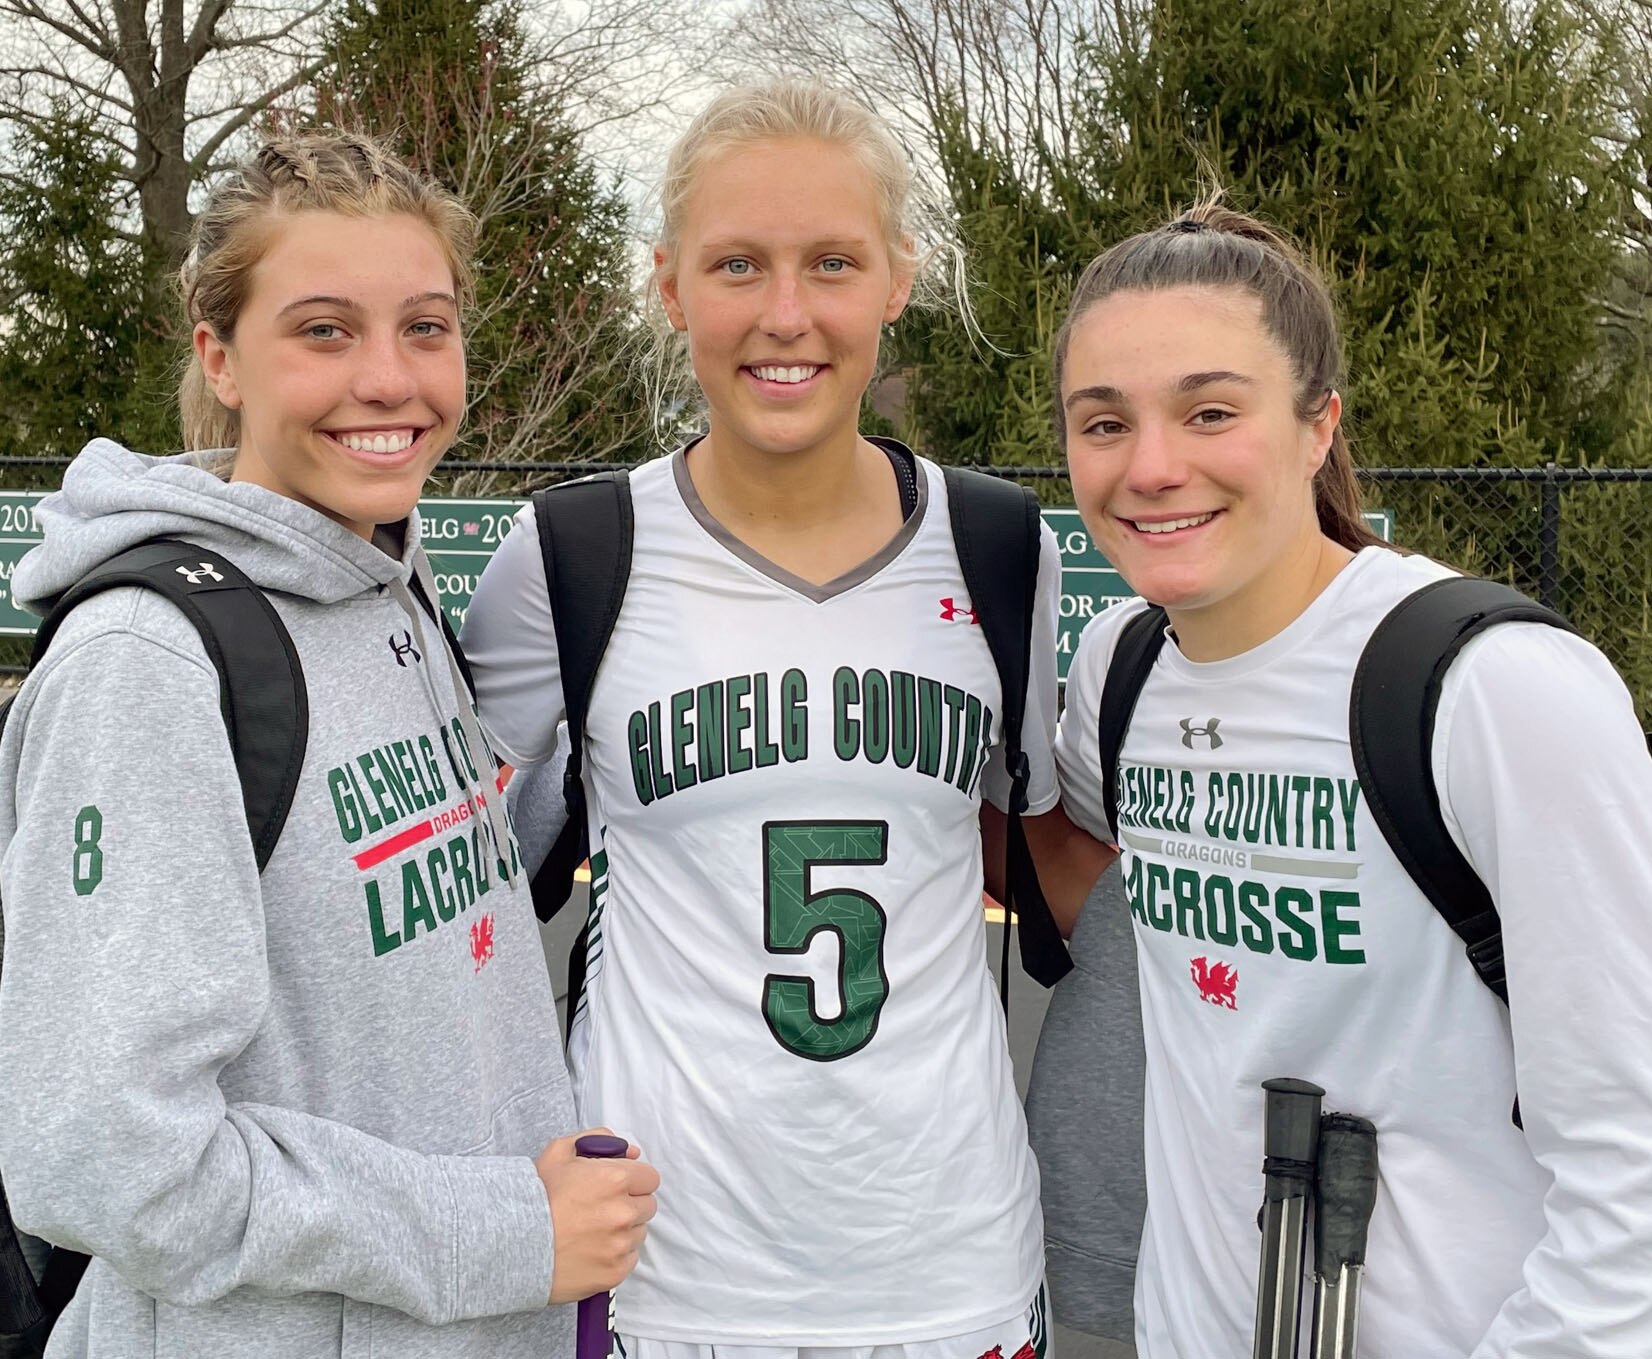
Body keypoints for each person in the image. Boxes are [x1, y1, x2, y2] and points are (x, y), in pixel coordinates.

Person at [0, 130, 656, 1359]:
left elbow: (403, 905)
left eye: (425, 325)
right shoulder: (148, 663)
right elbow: (103, 1159)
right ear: (221, 358)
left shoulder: (387, 586)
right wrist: (508, 1230)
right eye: (323, 330)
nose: (390, 380)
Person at [460, 81, 1063, 1354]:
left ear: (897, 278)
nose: (785, 315)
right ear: (669, 286)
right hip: (663, 1277)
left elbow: (1038, 845)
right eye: (738, 265)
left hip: (949, 1266)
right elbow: (461, 898)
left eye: (832, 263)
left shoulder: (1001, 548)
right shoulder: (570, 555)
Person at [1031, 200, 1652, 1355]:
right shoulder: (1114, 674)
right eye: (1102, 423)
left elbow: (1633, 1163)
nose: (1151, 466)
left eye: (1208, 411)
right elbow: (1044, 842)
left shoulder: (1493, 691)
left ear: (1318, 425)